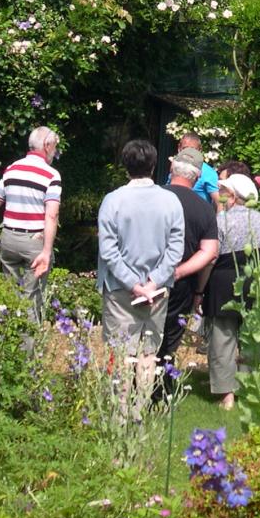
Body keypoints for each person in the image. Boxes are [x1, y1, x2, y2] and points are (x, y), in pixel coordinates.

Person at [97, 139, 186, 399]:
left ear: (125, 165)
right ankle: (140, 411)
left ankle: (120, 411)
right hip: (157, 291)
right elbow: (175, 249)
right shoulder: (170, 201)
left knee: (121, 352)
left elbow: (109, 251)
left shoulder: (113, 201)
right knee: (149, 352)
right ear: (154, 165)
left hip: (119, 290)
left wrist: (134, 284)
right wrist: (153, 282)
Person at [0, 126, 61, 322]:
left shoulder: (12, 169)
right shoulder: (51, 175)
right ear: (47, 145)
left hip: (8, 239)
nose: (55, 152)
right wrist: (46, 251)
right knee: (31, 301)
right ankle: (27, 351)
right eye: (55, 147)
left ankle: (5, 346)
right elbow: (51, 216)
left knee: (9, 297)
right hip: (34, 242)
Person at [202, 173, 260, 410]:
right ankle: (248, 387)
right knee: (252, 338)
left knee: (222, 339)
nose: (219, 196)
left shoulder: (220, 221)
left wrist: (199, 289)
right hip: (257, 281)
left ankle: (227, 396)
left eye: (223, 192)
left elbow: (211, 257)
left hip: (223, 284)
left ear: (233, 197)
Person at [155, 147, 219, 394]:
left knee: (143, 331)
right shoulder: (203, 209)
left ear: (172, 168)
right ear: (199, 176)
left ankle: (137, 383)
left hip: (144, 276)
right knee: (170, 335)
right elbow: (210, 252)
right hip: (181, 282)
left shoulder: (155, 196)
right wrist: (182, 274)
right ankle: (161, 389)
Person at [167, 133, 219, 205]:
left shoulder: (208, 173)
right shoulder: (176, 166)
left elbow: (219, 202)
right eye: (185, 148)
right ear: (179, 148)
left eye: (193, 149)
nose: (189, 153)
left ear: (200, 150)